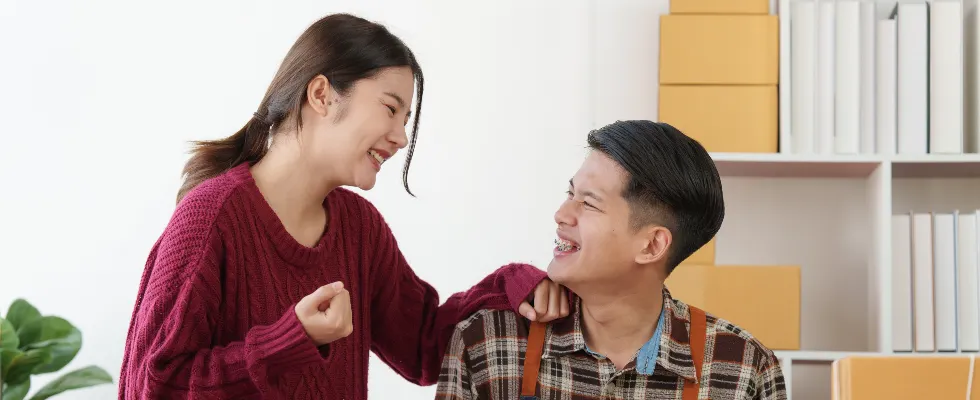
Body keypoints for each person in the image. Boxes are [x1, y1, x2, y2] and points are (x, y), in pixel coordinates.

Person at [118, 13, 570, 400]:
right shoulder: (211, 218)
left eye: (406, 119)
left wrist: (511, 284)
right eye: (390, 108)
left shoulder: (359, 228)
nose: (401, 137)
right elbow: (150, 386)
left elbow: (425, 347)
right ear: (321, 95)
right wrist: (286, 342)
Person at [434, 120, 787, 399]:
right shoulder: (486, 344)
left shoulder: (744, 369)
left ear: (651, 245)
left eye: (588, 203)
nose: (561, 214)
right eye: (570, 193)